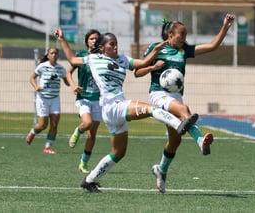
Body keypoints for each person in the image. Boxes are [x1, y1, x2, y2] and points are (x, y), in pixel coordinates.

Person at [54, 27, 198, 193]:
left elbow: (142, 64)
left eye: (117, 44)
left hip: (116, 108)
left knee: (118, 152)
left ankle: (89, 180)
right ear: (102, 48)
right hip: (111, 106)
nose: (115, 47)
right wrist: (62, 39)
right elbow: (72, 59)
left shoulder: (122, 59)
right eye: (112, 44)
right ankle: (179, 124)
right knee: (152, 109)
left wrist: (156, 50)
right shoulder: (93, 58)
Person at [134, 13, 235, 193]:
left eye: (186, 35)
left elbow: (212, 46)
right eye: (181, 35)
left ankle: (161, 170)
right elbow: (137, 72)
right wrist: (152, 67)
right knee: (184, 110)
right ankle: (200, 141)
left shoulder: (184, 51)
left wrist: (225, 27)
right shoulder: (155, 48)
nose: (184, 39)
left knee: (174, 140)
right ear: (170, 35)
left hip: (175, 97)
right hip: (158, 94)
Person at [67, 29, 102, 173]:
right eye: (92, 38)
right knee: (87, 124)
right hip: (84, 98)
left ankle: (83, 163)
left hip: (99, 99)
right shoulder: (82, 56)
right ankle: (77, 131)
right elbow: (68, 72)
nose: (94, 41)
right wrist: (73, 85)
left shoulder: (103, 57)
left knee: (92, 134)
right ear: (87, 41)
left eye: (97, 39)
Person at [26, 47, 69, 154]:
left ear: (58, 56)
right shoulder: (42, 66)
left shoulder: (61, 69)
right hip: (43, 98)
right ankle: (33, 132)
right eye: (52, 53)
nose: (54, 55)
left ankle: (47, 147)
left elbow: (67, 81)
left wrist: (72, 84)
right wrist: (36, 86)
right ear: (48, 55)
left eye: (56, 53)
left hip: (55, 99)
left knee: (54, 124)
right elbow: (32, 78)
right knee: (42, 125)